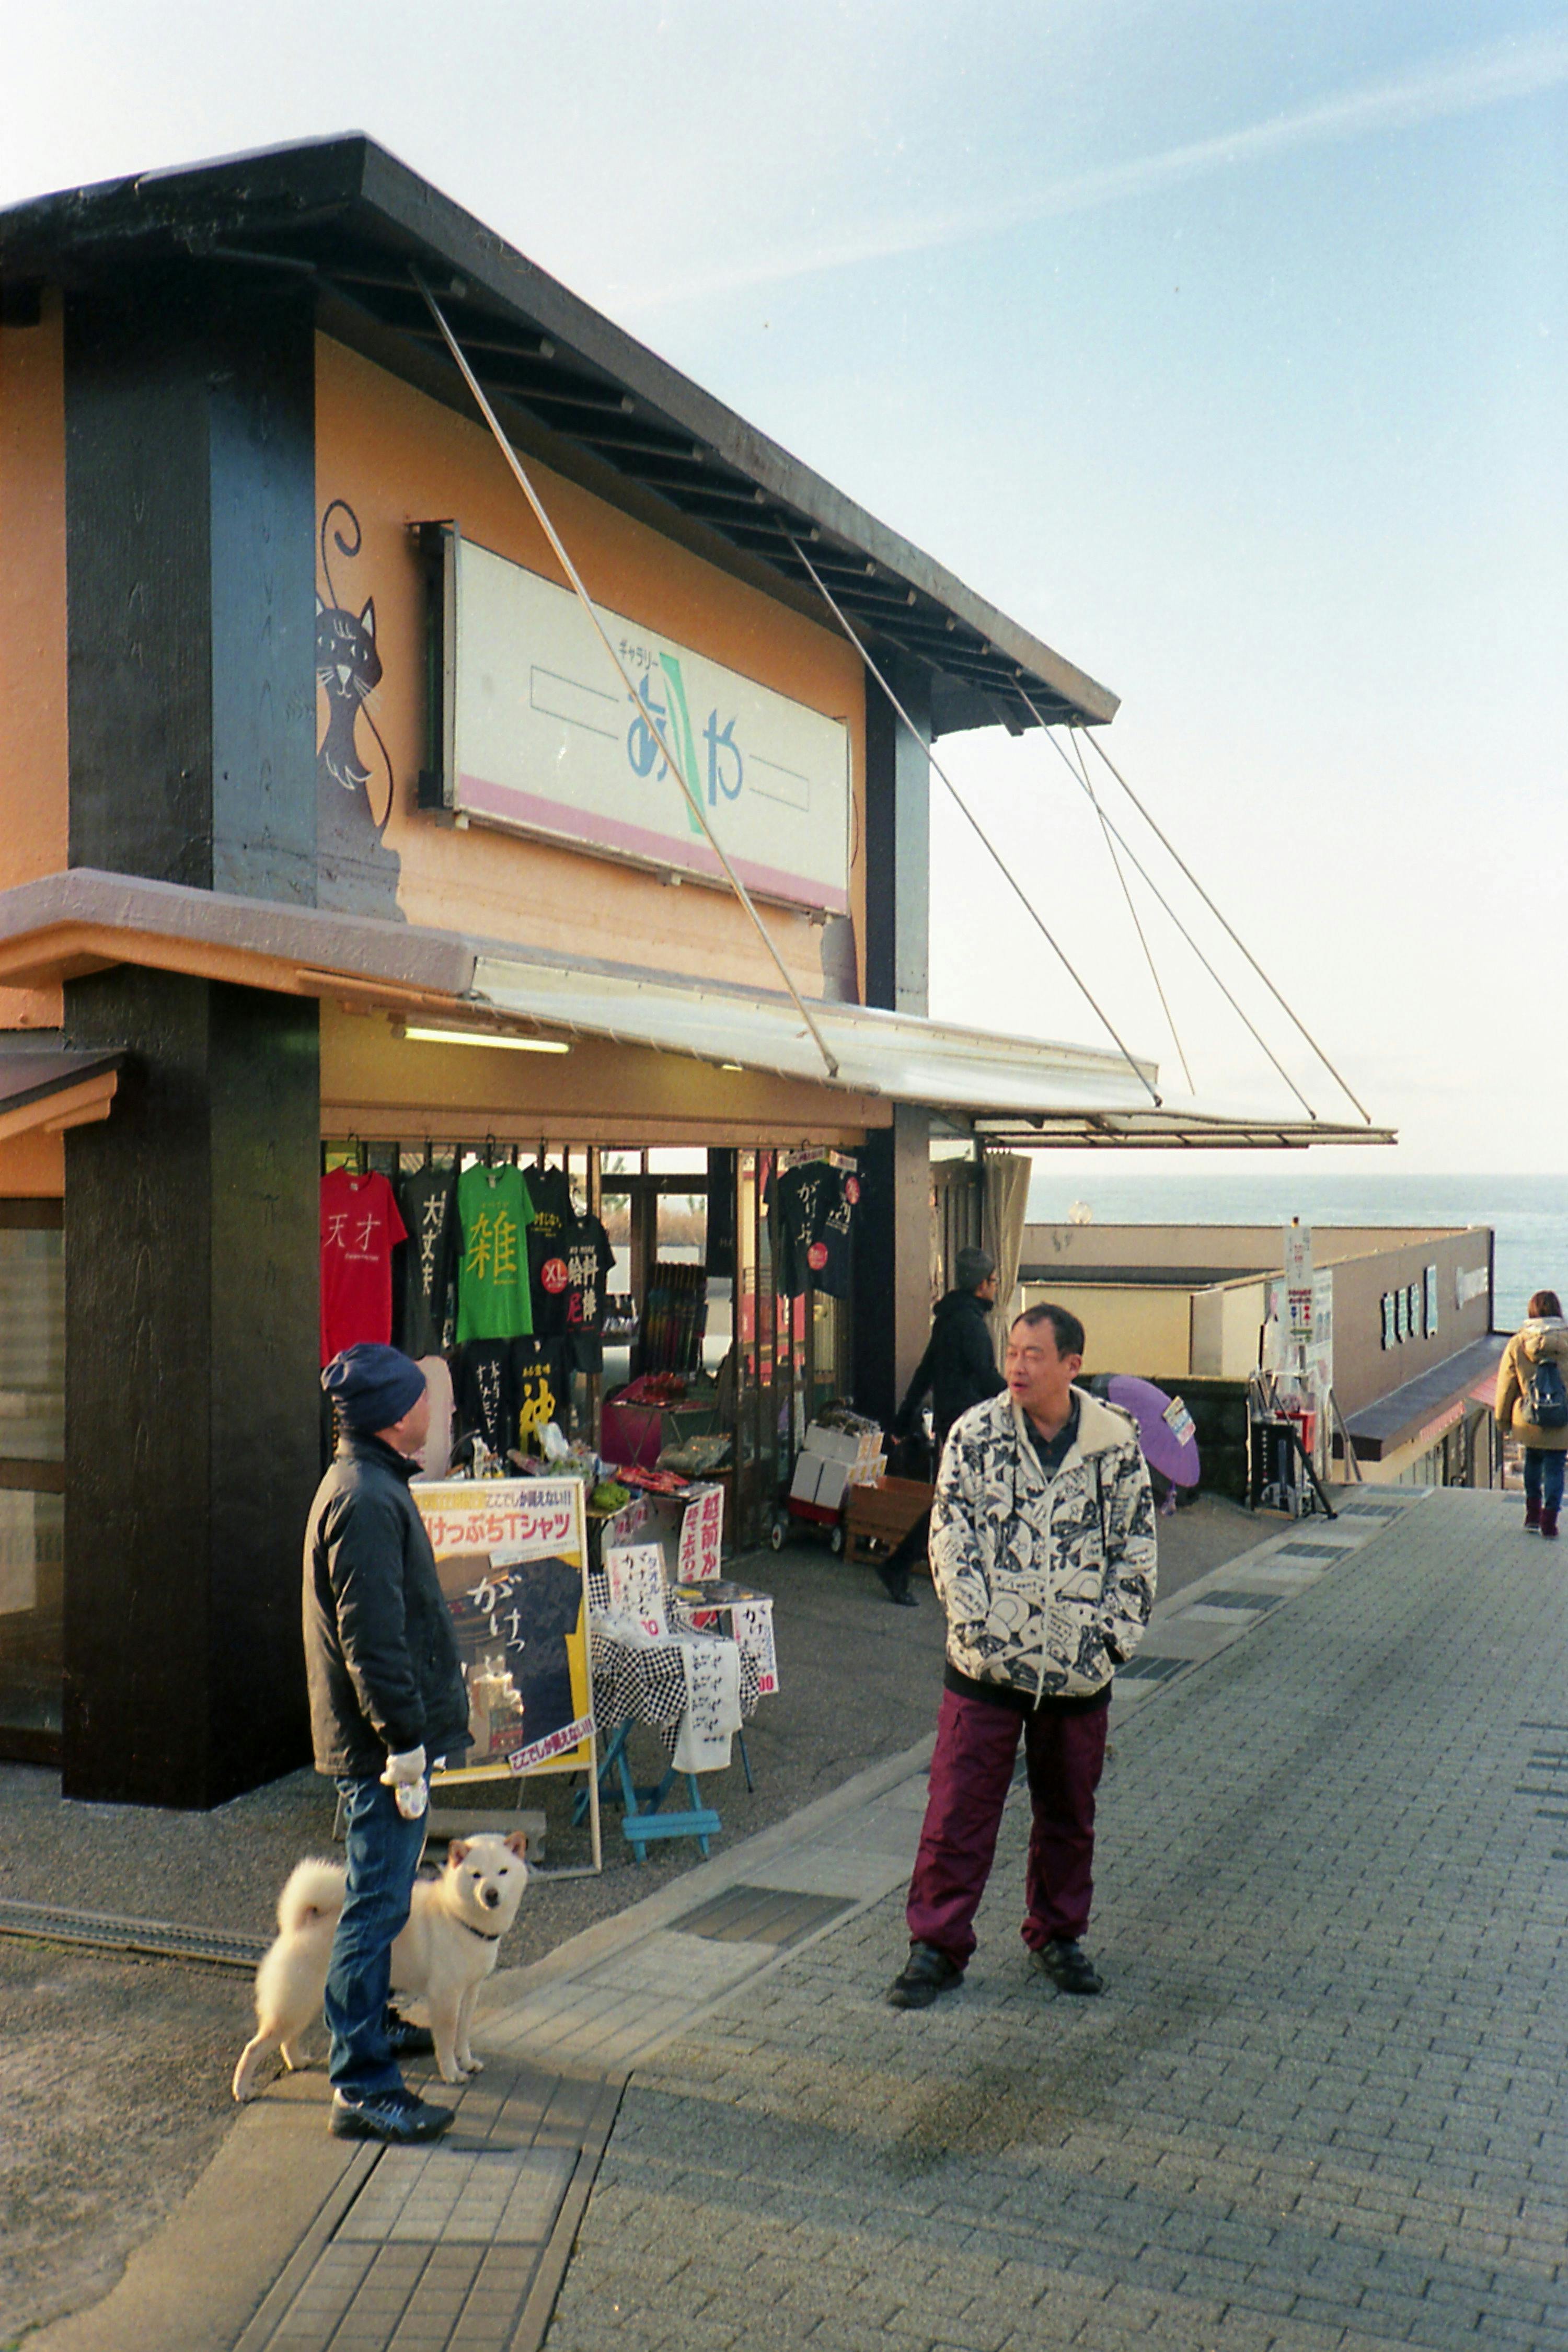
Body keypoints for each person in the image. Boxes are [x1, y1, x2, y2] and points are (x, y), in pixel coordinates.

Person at [887, 1301, 1155, 2010]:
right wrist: (977, 1625)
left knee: (1069, 1812)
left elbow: (1136, 1546)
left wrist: (1112, 1639)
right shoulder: (974, 1436)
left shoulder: (1114, 1443)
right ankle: (935, 1948)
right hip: (986, 1665)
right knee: (957, 1812)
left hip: (1077, 1668)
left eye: (1035, 1354)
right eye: (1012, 1351)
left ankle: (1059, 1936)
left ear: (1072, 1365)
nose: (1017, 1365)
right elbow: (950, 1534)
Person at [305, 1343, 474, 2142]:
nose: (431, 1406)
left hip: (384, 1742)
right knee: (374, 1906)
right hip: (381, 1749)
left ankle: (371, 2027)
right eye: (419, 1396)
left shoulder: (370, 1483)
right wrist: (402, 1743)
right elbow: (371, 1641)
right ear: (392, 1416)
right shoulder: (365, 1498)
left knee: (385, 1894)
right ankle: (361, 2082)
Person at [878, 1248, 1007, 1607]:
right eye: (994, 1281)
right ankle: (899, 1565)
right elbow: (985, 1377)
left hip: (953, 1421)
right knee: (959, 1502)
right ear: (982, 1285)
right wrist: (1022, 1397)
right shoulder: (971, 1325)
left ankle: (925, 1568)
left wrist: (904, 1417)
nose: (996, 1288)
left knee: (960, 1500)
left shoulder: (949, 1319)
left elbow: (925, 1371)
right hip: (971, 1424)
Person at [1495, 1290, 1568, 1538]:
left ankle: (1532, 1517)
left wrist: (1502, 1419)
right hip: (1562, 1419)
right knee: (1556, 1468)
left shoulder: (1518, 1344)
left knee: (1533, 1464)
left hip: (1530, 1419)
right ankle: (1550, 1522)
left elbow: (1507, 1385)